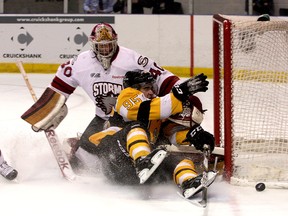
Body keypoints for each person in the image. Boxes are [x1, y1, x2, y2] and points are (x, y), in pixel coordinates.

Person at [21, 23, 181, 165]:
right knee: (83, 158)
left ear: (115, 42)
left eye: (109, 45)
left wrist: (185, 93)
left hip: (133, 116)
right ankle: (79, 143)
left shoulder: (132, 59)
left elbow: (161, 76)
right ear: (93, 45)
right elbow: (59, 86)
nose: (105, 50)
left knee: (136, 146)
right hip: (103, 117)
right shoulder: (80, 63)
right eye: (101, 46)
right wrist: (45, 110)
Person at [87, 70, 216, 198]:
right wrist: (178, 94)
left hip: (135, 174)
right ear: (134, 88)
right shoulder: (126, 97)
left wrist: (194, 136)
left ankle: (189, 182)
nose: (151, 92)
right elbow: (145, 109)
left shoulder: (154, 114)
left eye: (152, 88)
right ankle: (142, 160)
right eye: (146, 88)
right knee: (135, 127)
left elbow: (170, 135)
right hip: (114, 159)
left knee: (176, 159)